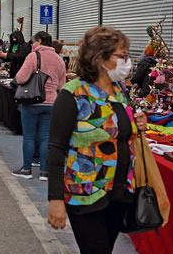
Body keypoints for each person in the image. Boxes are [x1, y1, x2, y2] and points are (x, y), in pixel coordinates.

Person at [47, 26, 148, 253]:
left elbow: (120, 132)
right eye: (121, 55)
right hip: (85, 194)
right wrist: (55, 199)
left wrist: (137, 124)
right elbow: (56, 148)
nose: (127, 61)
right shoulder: (73, 94)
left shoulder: (119, 91)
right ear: (101, 59)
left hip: (120, 193)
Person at [11, 31, 66, 180]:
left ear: (39, 41)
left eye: (34, 42)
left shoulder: (33, 56)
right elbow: (62, 84)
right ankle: (44, 171)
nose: (32, 45)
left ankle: (26, 169)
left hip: (32, 101)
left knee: (29, 136)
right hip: (51, 103)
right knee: (45, 137)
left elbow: (21, 78)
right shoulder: (59, 59)